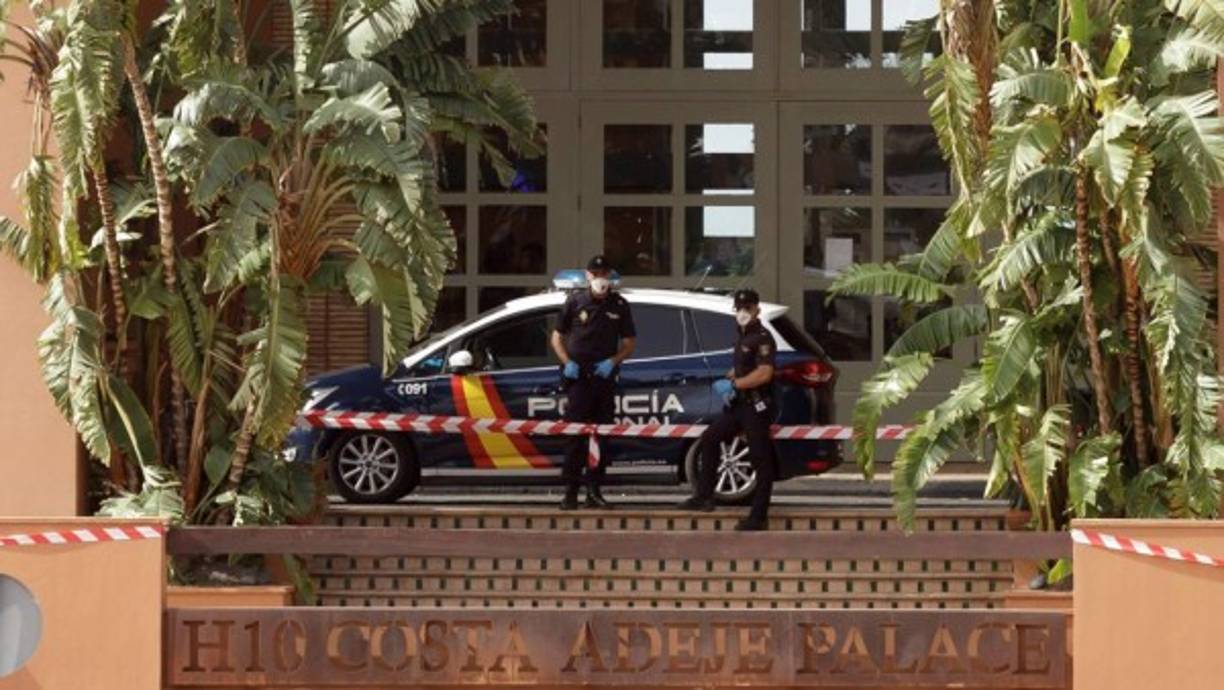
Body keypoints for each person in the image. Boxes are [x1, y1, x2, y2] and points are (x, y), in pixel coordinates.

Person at [678, 288, 778, 531]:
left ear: (757, 309)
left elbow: (765, 373)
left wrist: (734, 384)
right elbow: (745, 367)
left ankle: (759, 516)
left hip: (756, 405)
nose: (743, 312)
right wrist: (731, 378)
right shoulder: (741, 336)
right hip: (739, 404)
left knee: (760, 459)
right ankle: (704, 497)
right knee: (710, 438)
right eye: (740, 308)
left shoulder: (762, 337)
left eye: (748, 308)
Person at [550, 255, 637, 510]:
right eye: (595, 273)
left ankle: (594, 491)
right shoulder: (575, 301)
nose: (600, 277)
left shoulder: (619, 304)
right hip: (578, 379)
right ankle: (570, 492)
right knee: (575, 436)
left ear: (610, 276)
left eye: (604, 273)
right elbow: (557, 338)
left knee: (601, 435)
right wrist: (567, 362)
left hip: (603, 378)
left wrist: (614, 361)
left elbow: (630, 343)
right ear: (588, 275)